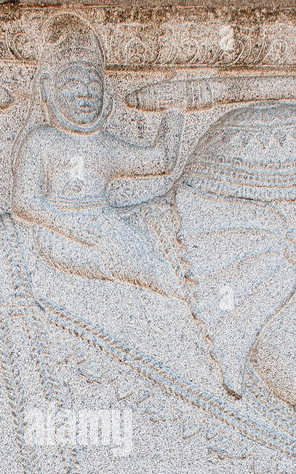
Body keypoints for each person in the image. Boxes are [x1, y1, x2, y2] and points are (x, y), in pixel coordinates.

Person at [12, 14, 186, 299]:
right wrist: (72, 226)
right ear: (48, 88)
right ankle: (179, 297)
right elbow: (25, 202)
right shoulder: (42, 139)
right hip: (61, 232)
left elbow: (161, 161)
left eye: (94, 85)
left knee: (156, 224)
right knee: (147, 264)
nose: (86, 94)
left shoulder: (104, 145)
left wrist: (176, 109)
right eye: (72, 84)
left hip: (102, 222)